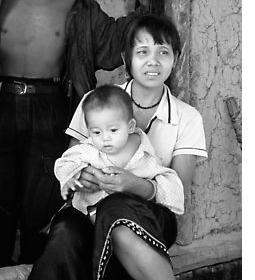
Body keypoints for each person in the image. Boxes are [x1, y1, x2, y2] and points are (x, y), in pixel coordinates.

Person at [0, 0, 155, 269]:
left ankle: (36, 274)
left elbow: (110, 40)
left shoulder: (77, 1)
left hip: (51, 105)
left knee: (45, 196)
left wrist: (141, 10)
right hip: (0, 105)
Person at [16, 14, 207, 280]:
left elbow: (177, 192)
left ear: (176, 59)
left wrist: (133, 184)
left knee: (115, 208)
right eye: (142, 52)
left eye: (164, 52)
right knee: (65, 230)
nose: (153, 61)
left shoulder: (187, 117)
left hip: (152, 216)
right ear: (125, 58)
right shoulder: (95, 102)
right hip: (92, 208)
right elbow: (73, 160)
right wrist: (83, 178)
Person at [55, 84, 184, 218]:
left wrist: (144, 187)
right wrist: (74, 176)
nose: (105, 138)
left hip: (127, 219)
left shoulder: (143, 157)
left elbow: (170, 184)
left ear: (130, 126)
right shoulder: (89, 151)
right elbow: (63, 164)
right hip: (86, 217)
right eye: (97, 132)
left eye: (113, 130)